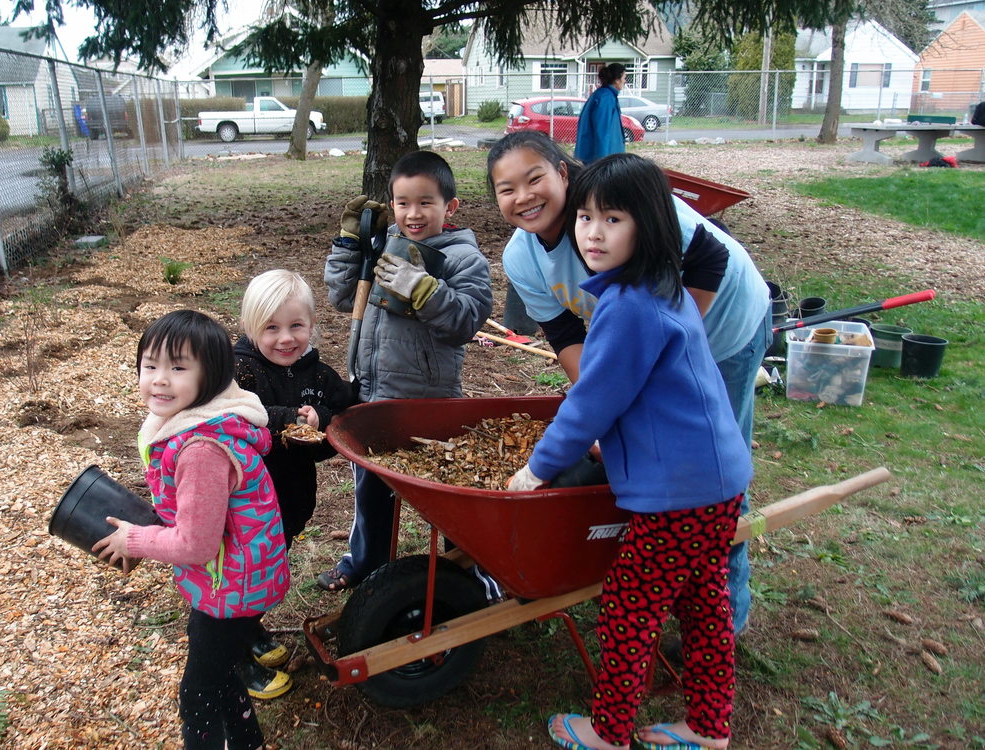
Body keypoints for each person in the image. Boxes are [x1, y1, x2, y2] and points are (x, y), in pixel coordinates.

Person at [506, 153, 751, 750]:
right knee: (703, 604)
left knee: (629, 609)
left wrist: (538, 469)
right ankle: (708, 727)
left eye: (612, 219)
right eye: (586, 217)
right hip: (717, 478)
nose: (592, 232)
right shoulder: (659, 287)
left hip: (677, 493)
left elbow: (590, 401)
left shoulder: (626, 308)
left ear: (649, 224)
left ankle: (609, 732)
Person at [487, 130, 770, 635]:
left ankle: (727, 613)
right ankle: (665, 574)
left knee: (709, 477)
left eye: (535, 178)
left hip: (724, 327)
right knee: (654, 464)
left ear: (563, 173)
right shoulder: (522, 257)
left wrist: (670, 352)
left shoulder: (625, 203)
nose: (523, 197)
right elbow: (566, 332)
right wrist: (605, 400)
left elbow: (709, 258)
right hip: (642, 343)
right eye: (506, 189)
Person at [93, 309, 289, 750]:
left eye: (178, 367)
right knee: (219, 672)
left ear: (212, 376)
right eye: (150, 365)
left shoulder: (202, 449)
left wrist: (135, 539)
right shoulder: (193, 423)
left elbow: (197, 543)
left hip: (232, 588)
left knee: (197, 694)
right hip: (236, 579)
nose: (160, 379)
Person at [319, 150, 492, 593]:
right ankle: (367, 564)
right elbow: (343, 296)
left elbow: (466, 321)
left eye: (425, 202)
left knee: (444, 499)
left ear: (449, 207)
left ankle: (472, 570)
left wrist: (423, 289)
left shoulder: (461, 258)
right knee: (370, 494)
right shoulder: (384, 243)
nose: (413, 214)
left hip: (426, 407)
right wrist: (349, 244)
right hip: (373, 397)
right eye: (402, 203)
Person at [232, 269, 353, 697]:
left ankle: (250, 629)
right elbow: (241, 415)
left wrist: (335, 421)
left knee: (267, 570)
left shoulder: (316, 374)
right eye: (272, 328)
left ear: (311, 326)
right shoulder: (239, 373)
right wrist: (289, 419)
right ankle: (236, 659)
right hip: (245, 504)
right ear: (250, 328)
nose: (286, 338)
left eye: (296, 326)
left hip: (288, 499)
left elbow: (344, 408)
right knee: (242, 576)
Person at [575, 63, 627, 164]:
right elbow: (602, 131)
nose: (625, 81)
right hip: (603, 159)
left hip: (606, 157)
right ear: (617, 80)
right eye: (624, 78)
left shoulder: (605, 96)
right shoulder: (606, 98)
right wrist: (602, 163)